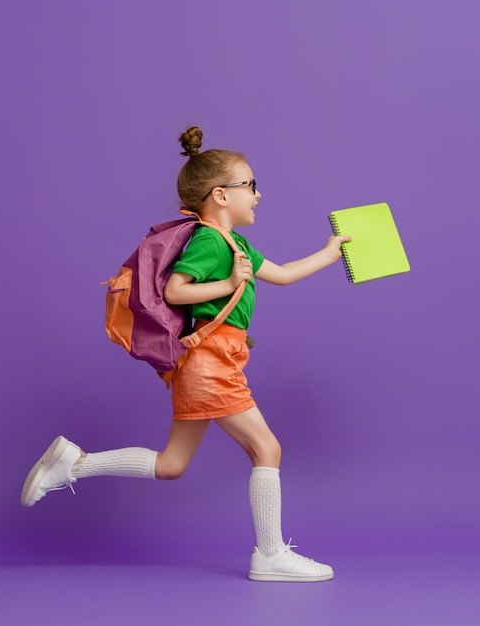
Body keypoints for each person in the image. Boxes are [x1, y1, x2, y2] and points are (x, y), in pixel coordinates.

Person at [21, 127, 351, 582]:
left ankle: (76, 463)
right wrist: (231, 284)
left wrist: (330, 254)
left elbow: (284, 273)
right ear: (221, 194)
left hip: (211, 361)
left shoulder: (236, 244)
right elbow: (178, 290)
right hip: (210, 361)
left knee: (171, 464)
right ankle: (270, 554)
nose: (258, 194)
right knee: (267, 447)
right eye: (250, 186)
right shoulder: (210, 240)